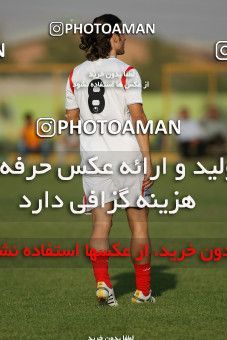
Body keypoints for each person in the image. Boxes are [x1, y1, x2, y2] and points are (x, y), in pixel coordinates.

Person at [65, 14, 155, 306]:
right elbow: (138, 117)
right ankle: (142, 292)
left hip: (93, 157)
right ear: (113, 38)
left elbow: (71, 120)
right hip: (127, 155)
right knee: (138, 224)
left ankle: (104, 285)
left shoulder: (75, 74)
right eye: (123, 34)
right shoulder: (128, 71)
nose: (126, 38)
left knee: (100, 224)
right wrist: (148, 160)